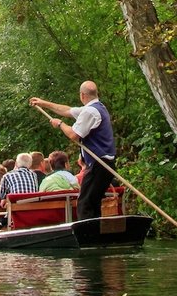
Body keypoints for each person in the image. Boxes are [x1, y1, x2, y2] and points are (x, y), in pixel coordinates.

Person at [30, 80, 116, 219]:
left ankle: (88, 235)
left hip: (99, 164)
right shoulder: (98, 107)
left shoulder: (89, 111)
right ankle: (97, 231)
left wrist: (60, 124)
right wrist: (43, 103)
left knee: (84, 203)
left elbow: (74, 135)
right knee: (92, 201)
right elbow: (66, 110)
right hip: (104, 163)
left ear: (82, 95)